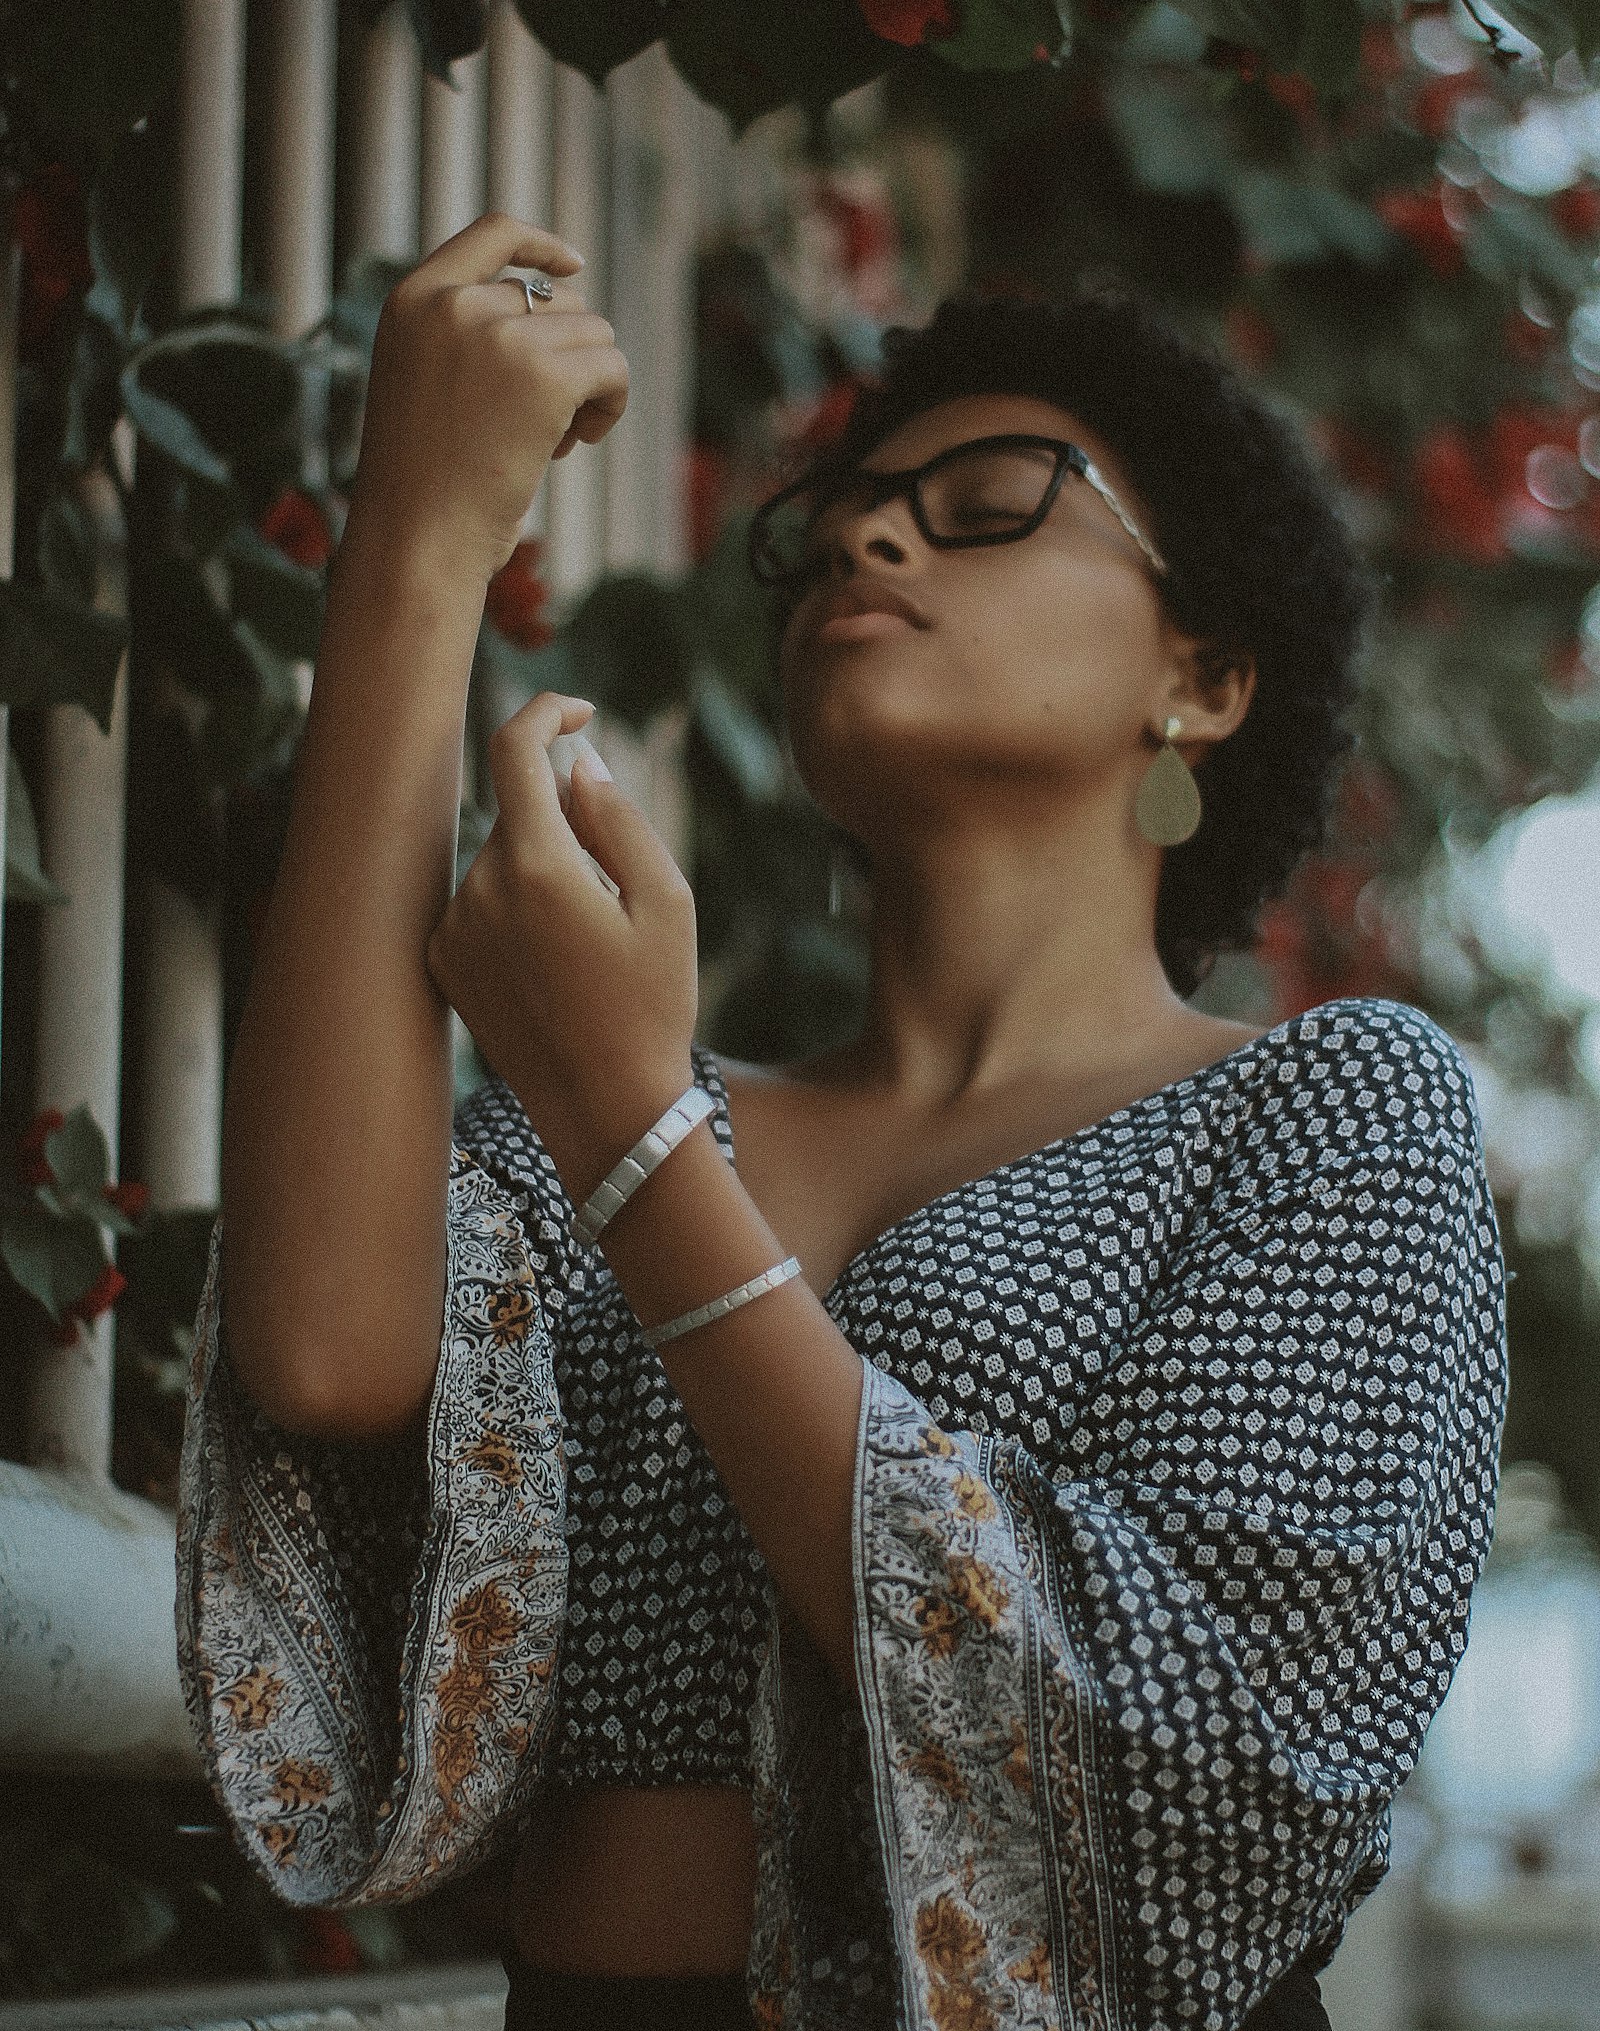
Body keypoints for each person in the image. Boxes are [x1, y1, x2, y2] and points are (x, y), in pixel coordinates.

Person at [176, 213, 1508, 2031]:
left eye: (989, 499)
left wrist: (640, 1149)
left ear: (1198, 681)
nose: (866, 537)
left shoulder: (1325, 1112)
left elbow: (1205, 1748)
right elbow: (324, 1361)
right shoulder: (629, 1090)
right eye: (829, 529)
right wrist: (420, 538)